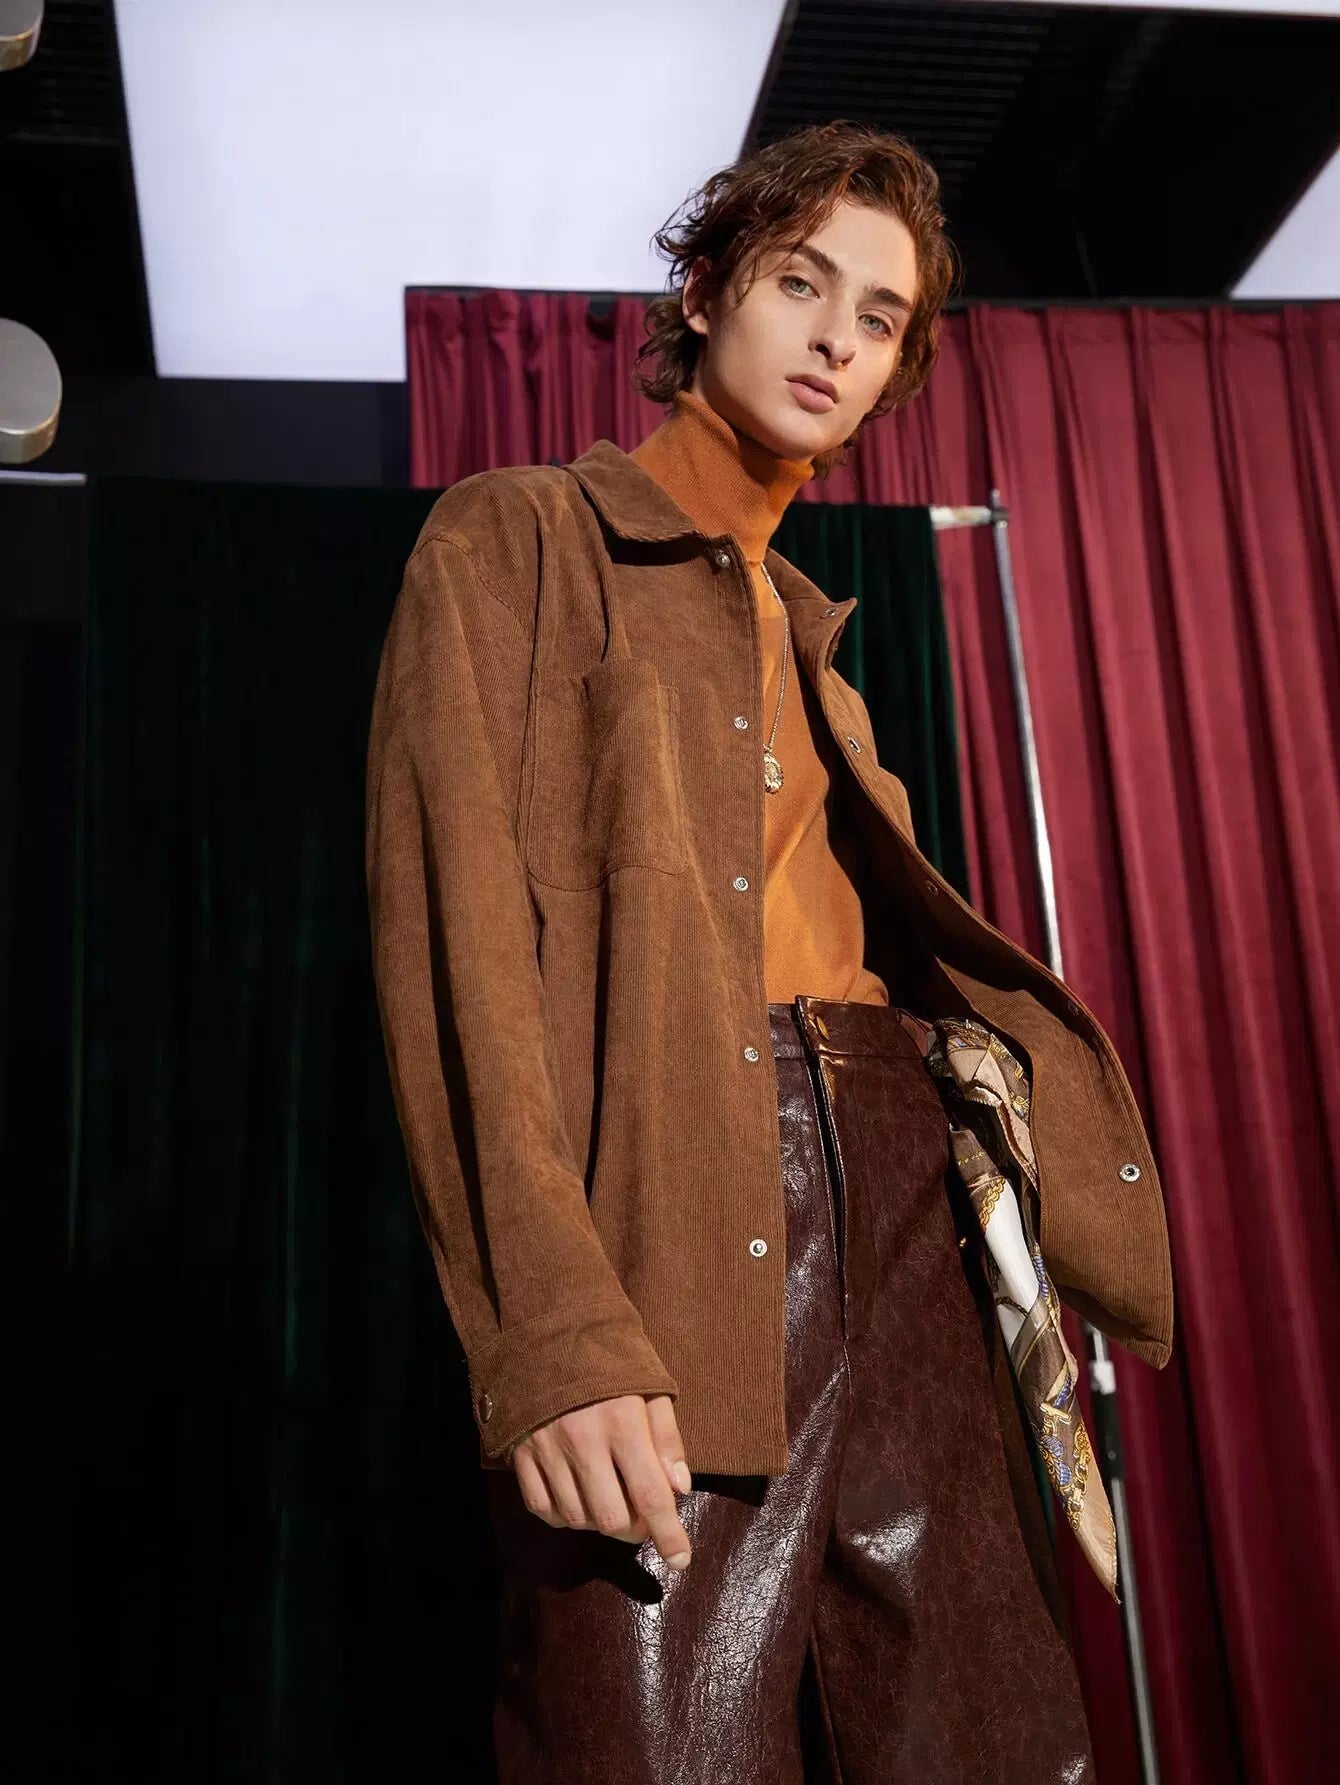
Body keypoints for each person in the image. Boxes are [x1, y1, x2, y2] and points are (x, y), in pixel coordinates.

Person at [364, 119, 1174, 1784]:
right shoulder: (517, 540)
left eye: (879, 318)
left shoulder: (820, 660)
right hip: (680, 1236)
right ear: (708, 292)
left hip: (904, 1221)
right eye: (802, 284)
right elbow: (461, 967)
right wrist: (553, 1336)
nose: (834, 340)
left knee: (994, 1748)